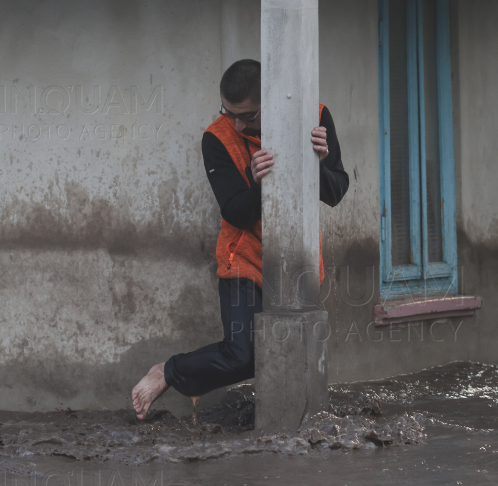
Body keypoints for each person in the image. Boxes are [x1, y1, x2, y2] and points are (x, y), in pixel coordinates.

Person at [132, 59, 349, 420]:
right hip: (242, 257)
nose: (237, 123)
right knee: (243, 354)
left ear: (274, 102)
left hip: (297, 259)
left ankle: (278, 429)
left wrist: (317, 164)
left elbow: (336, 191)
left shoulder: (317, 115)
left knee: (293, 351)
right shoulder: (216, 137)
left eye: (247, 116)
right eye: (228, 112)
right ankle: (167, 371)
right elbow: (234, 210)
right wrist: (258, 184)